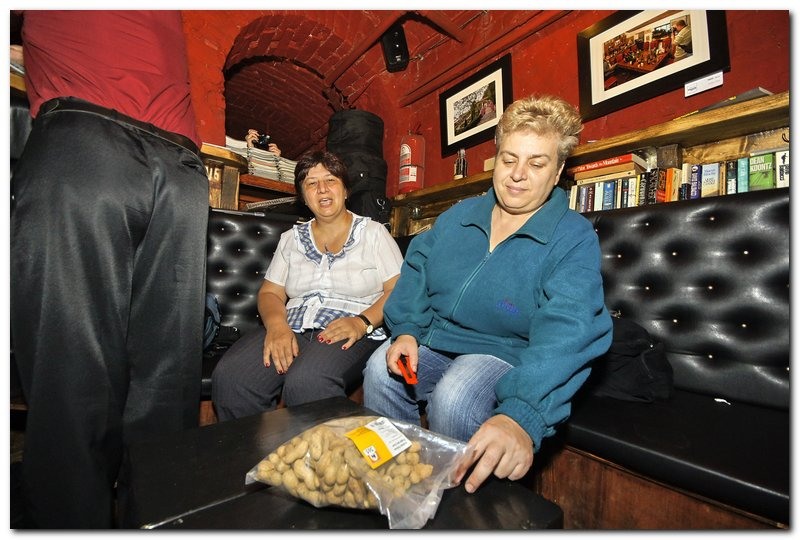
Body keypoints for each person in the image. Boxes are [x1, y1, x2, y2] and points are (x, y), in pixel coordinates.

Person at [10, 11, 209, 528]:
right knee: (166, 382)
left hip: (88, 142)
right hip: (183, 168)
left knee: (72, 370)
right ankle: (159, 522)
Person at [362, 94, 613, 494]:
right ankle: (399, 488)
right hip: (436, 338)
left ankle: (462, 508)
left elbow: (571, 327)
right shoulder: (459, 216)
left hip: (506, 352)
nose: (518, 175)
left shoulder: (572, 236)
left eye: (537, 164)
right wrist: (406, 330)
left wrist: (521, 413)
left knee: (456, 395)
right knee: (380, 368)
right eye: (509, 159)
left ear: (558, 172)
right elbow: (417, 269)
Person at [212, 150, 403, 420]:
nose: (322, 189)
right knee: (233, 377)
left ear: (346, 190)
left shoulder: (374, 233)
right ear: (303, 196)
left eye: (331, 180)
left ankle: (322, 449)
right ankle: (259, 448)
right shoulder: (291, 239)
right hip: (291, 324)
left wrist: (362, 322)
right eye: (311, 183)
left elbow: (398, 289)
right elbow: (270, 292)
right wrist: (277, 327)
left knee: (308, 382)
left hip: (351, 327)